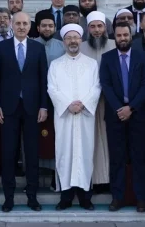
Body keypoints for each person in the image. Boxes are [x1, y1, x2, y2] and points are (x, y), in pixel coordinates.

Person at [0, 12, 49, 212]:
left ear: (30, 26)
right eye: (18, 23)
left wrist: (43, 106)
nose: (22, 27)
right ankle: (9, 197)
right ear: (11, 25)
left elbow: (43, 80)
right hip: (8, 109)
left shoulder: (38, 48)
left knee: (32, 154)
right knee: (8, 154)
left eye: (25, 23)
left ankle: (32, 196)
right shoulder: (0, 48)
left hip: (33, 109)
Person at [99, 23, 145, 212]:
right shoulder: (107, 58)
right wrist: (120, 109)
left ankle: (141, 199)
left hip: (138, 115)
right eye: (119, 35)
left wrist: (131, 108)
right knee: (117, 158)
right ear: (115, 37)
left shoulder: (142, 57)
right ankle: (117, 197)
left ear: (131, 36)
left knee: (139, 158)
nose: (122, 38)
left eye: (125, 35)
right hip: (115, 116)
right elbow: (105, 85)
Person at [47, 24, 101, 211]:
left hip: (85, 116)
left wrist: (83, 104)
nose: (72, 41)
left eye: (75, 37)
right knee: (65, 154)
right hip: (64, 117)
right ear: (63, 42)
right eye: (68, 38)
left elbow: (96, 87)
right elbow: (52, 88)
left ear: (81, 40)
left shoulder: (91, 64)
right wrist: (68, 105)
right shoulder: (56, 65)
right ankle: (66, 196)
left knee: (85, 154)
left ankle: (85, 197)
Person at [79, 11, 115, 191]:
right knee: (90, 140)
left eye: (100, 26)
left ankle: (108, 179)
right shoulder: (81, 47)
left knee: (109, 141)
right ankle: (92, 179)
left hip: (111, 102)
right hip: (87, 103)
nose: (97, 30)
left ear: (105, 28)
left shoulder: (115, 46)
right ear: (88, 29)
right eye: (92, 27)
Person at [32, 9, 64, 190]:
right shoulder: (30, 44)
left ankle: (54, 177)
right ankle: (33, 178)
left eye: (50, 25)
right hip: (33, 100)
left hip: (55, 102)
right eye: (43, 25)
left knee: (54, 139)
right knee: (33, 139)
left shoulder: (61, 46)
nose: (47, 28)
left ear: (55, 27)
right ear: (38, 27)